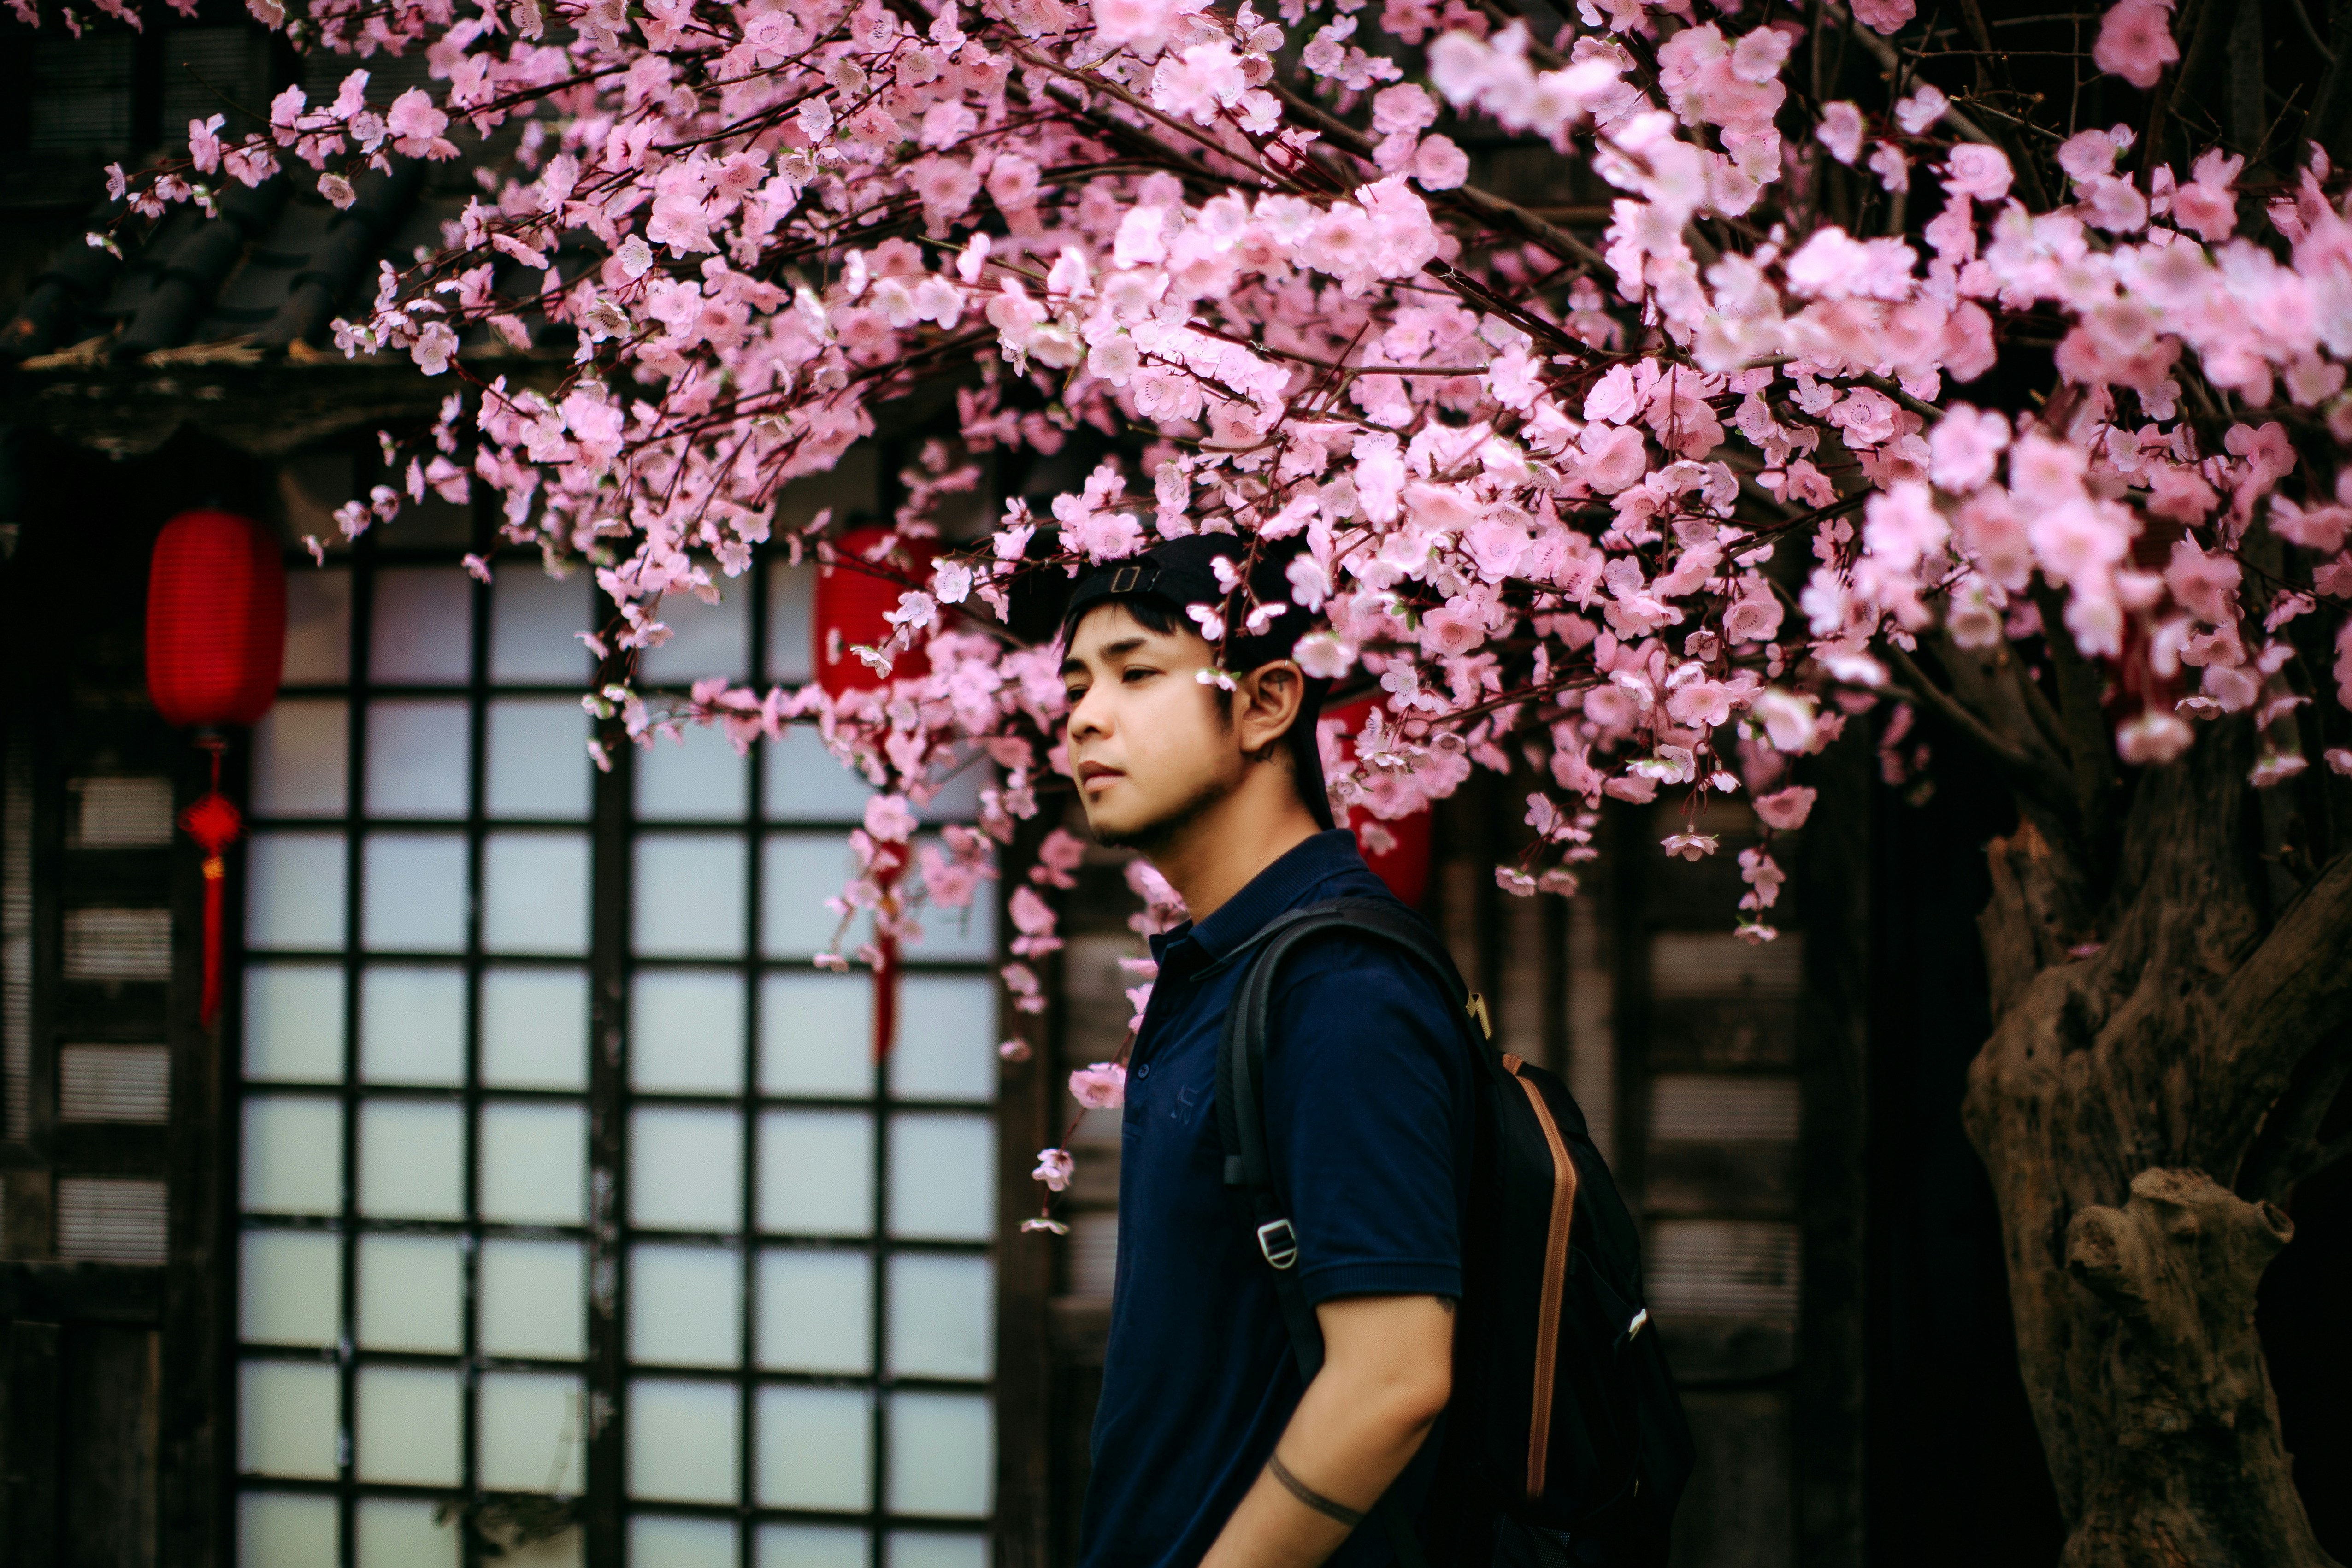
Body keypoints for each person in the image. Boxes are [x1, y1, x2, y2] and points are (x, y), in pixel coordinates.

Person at [1061, 535, 1475, 1568]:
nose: (1082, 718)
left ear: (1265, 704)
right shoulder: (1232, 964)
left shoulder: (1335, 987)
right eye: (1074, 685)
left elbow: (1393, 1380)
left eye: (1136, 674)